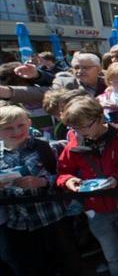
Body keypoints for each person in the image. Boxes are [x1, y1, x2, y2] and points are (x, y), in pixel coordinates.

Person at [56, 96, 118, 276]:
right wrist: (68, 181)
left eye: (85, 126)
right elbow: (62, 172)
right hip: (96, 210)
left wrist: (117, 178)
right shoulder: (74, 144)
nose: (80, 132)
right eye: (75, 128)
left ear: (99, 117)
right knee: (113, 256)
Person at [0, 104, 82, 275]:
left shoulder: (45, 148)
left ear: (29, 123)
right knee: (33, 268)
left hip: (53, 218)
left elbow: (64, 176)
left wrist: (43, 182)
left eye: (21, 125)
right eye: (8, 128)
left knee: (69, 264)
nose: (16, 131)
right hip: (19, 225)